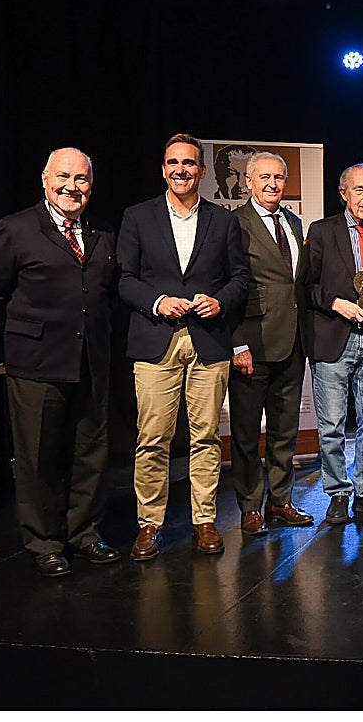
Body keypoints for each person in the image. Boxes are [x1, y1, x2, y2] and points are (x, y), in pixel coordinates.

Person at [0, 147, 119, 577]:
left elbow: (105, 294)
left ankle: (84, 533)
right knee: (38, 456)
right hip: (35, 364)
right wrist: (24, 337)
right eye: (64, 177)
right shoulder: (15, 229)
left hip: (91, 361)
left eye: (82, 179)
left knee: (90, 452)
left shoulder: (101, 232)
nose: (72, 187)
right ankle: (44, 541)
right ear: (44, 179)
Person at [118, 133, 249, 560]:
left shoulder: (224, 220)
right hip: (156, 341)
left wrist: (220, 300)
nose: (181, 170)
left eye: (190, 163)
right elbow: (125, 280)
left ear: (203, 171)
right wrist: (157, 301)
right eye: (173, 162)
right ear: (163, 168)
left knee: (207, 437)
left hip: (209, 342)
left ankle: (204, 519)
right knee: (152, 438)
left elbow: (240, 280)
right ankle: (149, 525)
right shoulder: (138, 217)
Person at [305, 163, 363, 525]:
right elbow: (308, 287)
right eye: (359, 190)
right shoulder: (322, 231)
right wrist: (336, 303)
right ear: (343, 193)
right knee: (331, 425)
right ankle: (338, 494)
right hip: (334, 337)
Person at [228, 151, 314, 536]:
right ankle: (250, 507)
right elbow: (227, 288)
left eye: (279, 178)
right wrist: (236, 344)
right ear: (248, 182)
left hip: (293, 343)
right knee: (247, 433)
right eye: (264, 178)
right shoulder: (234, 224)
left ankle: (280, 502)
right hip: (253, 344)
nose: (272, 184)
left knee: (285, 431)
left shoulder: (293, 222)